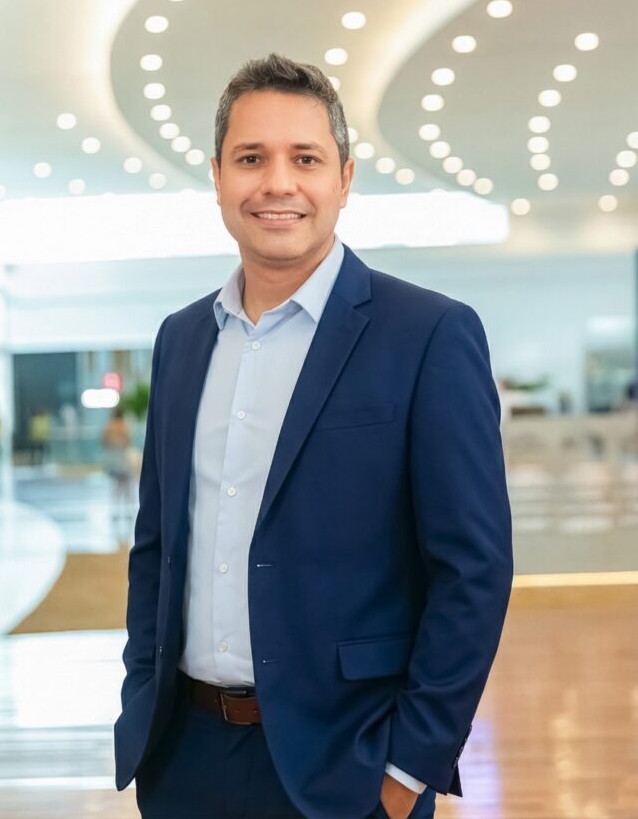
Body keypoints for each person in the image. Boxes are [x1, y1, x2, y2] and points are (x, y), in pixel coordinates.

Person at [114, 54, 513, 819]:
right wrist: (142, 700)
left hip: (350, 766)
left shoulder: (426, 334)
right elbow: (156, 545)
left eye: (305, 159)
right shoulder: (181, 339)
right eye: (250, 159)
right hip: (184, 757)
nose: (277, 183)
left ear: (344, 178)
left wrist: (408, 766)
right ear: (217, 178)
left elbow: (473, 568)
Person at [101, 406, 134, 535]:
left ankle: (116, 509)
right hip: (121, 459)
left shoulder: (109, 426)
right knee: (126, 485)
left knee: (117, 486)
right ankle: (127, 509)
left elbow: (103, 441)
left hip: (113, 459)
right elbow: (128, 441)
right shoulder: (123, 426)